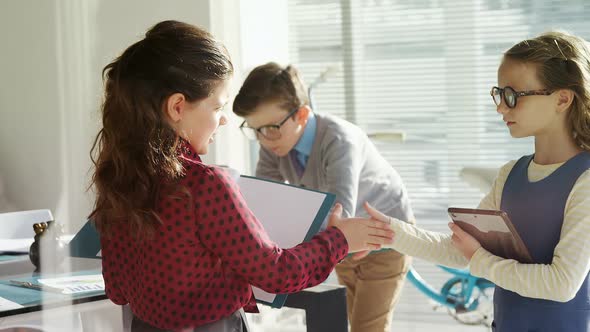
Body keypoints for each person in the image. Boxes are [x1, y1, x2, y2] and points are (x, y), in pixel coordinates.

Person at [89, 20, 395, 332]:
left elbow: (117, 288)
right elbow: (278, 274)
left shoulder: (118, 180)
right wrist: (341, 239)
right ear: (178, 107)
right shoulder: (205, 185)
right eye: (217, 107)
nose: (222, 121)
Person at [365, 30, 590, 331]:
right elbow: (458, 250)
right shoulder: (510, 175)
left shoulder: (585, 180)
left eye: (512, 96)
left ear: (562, 99)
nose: (500, 108)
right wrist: (387, 231)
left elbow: (561, 284)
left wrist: (481, 260)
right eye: (499, 94)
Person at [233, 62, 414, 332]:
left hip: (383, 236)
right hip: (347, 241)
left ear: (302, 115)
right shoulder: (273, 140)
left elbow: (339, 215)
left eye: (270, 128)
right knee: (350, 319)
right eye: (255, 129)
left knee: (368, 327)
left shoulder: (339, 140)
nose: (264, 139)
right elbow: (264, 203)